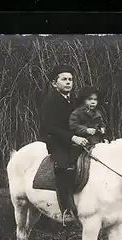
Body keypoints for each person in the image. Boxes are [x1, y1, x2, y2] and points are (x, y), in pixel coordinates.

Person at [38, 65, 89, 219]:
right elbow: (50, 127)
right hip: (57, 141)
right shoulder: (50, 101)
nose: (68, 82)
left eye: (71, 79)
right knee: (63, 166)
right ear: (55, 83)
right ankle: (66, 208)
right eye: (64, 79)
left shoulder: (75, 100)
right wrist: (73, 138)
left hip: (76, 140)